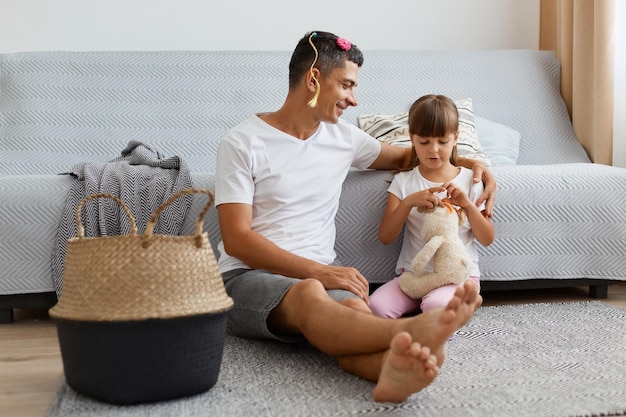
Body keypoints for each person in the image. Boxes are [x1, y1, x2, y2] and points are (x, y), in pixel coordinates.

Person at [214, 31, 494, 403]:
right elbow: (237, 239)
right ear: (314, 78)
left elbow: (410, 156)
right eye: (346, 85)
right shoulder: (241, 142)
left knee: (355, 312)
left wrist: (475, 164)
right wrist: (320, 271)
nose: (353, 99)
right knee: (312, 293)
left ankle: (389, 370)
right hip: (246, 278)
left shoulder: (342, 138)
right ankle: (417, 330)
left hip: (323, 270)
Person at [369, 95, 495, 319]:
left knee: (435, 307)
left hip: (457, 276)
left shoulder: (471, 180)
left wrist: (467, 204)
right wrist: (408, 203)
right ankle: (441, 305)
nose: (433, 150)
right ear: (412, 138)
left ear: (456, 138)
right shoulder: (404, 182)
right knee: (375, 307)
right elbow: (386, 237)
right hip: (413, 277)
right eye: (424, 142)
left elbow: (487, 238)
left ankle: (462, 298)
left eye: (442, 142)